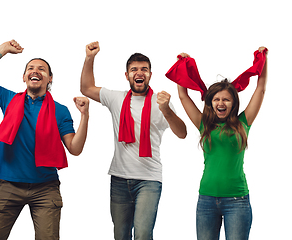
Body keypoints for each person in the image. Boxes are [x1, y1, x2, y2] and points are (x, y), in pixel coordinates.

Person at [0, 39, 89, 240]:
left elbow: (74, 149)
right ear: (24, 76)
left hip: (46, 188)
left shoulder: (60, 111)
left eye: (42, 69)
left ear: (49, 78)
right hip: (8, 184)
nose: (36, 71)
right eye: (31, 68)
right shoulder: (7, 99)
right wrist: (3, 50)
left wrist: (85, 116)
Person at [80, 41, 187, 240]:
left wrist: (167, 110)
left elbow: (182, 133)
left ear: (150, 75)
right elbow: (86, 88)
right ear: (127, 75)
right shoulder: (115, 98)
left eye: (144, 69)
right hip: (119, 178)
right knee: (121, 235)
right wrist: (90, 58)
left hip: (149, 179)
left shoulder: (161, 101)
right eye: (134, 69)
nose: (139, 73)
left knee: (143, 234)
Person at [175, 47, 268, 240]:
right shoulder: (204, 124)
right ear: (210, 103)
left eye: (226, 99)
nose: (221, 102)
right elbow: (183, 95)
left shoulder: (243, 123)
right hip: (206, 200)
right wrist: (182, 65)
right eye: (216, 99)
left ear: (233, 103)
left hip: (237, 201)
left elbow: (260, 88)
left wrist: (263, 60)